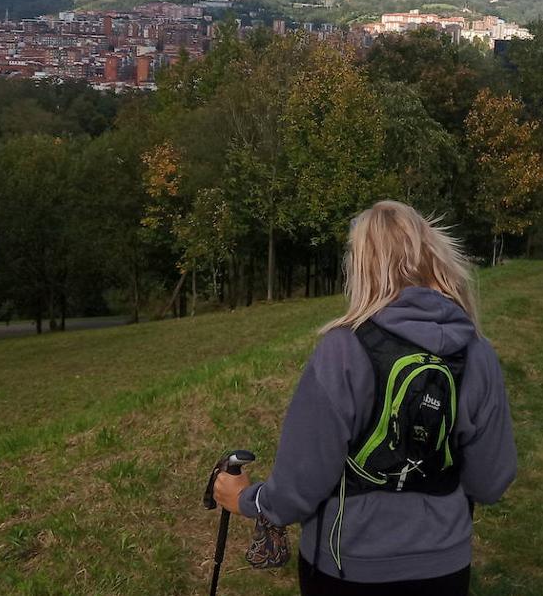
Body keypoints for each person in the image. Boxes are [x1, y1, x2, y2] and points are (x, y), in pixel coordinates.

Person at [213, 200, 518, 595]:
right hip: (444, 565)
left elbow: (301, 482)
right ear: (434, 255)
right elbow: (491, 481)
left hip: (346, 568)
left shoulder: (342, 350)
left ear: (361, 266)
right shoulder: (477, 352)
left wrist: (248, 500)